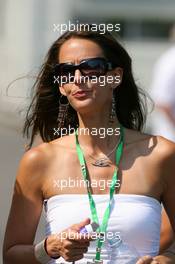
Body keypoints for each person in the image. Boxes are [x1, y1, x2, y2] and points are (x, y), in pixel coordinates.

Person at [3, 26, 175, 264]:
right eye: (66, 71)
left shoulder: (162, 154)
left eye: (91, 67)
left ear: (115, 77)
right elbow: (11, 255)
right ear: (62, 86)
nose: (78, 78)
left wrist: (167, 260)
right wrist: (49, 248)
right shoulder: (39, 160)